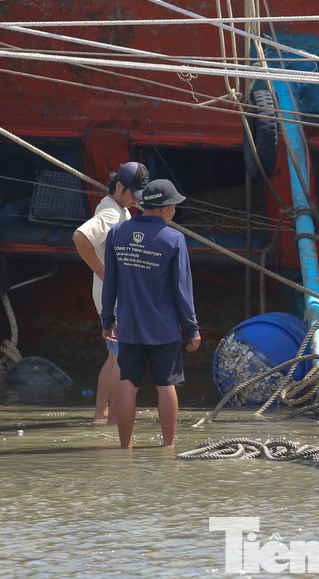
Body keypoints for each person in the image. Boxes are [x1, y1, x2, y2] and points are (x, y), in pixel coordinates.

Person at [101, 179, 200, 448]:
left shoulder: (117, 233)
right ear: (164, 208)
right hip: (164, 329)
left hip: (129, 326)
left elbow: (110, 281)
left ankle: (125, 447)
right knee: (166, 385)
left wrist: (107, 319)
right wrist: (192, 328)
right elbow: (182, 290)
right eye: (174, 207)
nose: (175, 211)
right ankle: (168, 447)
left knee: (127, 383)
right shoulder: (173, 238)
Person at [72, 161, 149, 424]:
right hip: (114, 300)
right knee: (122, 360)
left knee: (113, 356)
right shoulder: (111, 214)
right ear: (119, 186)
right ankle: (115, 419)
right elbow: (80, 237)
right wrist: (104, 272)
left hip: (109, 298)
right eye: (134, 192)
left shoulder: (118, 209)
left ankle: (101, 415)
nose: (137, 198)